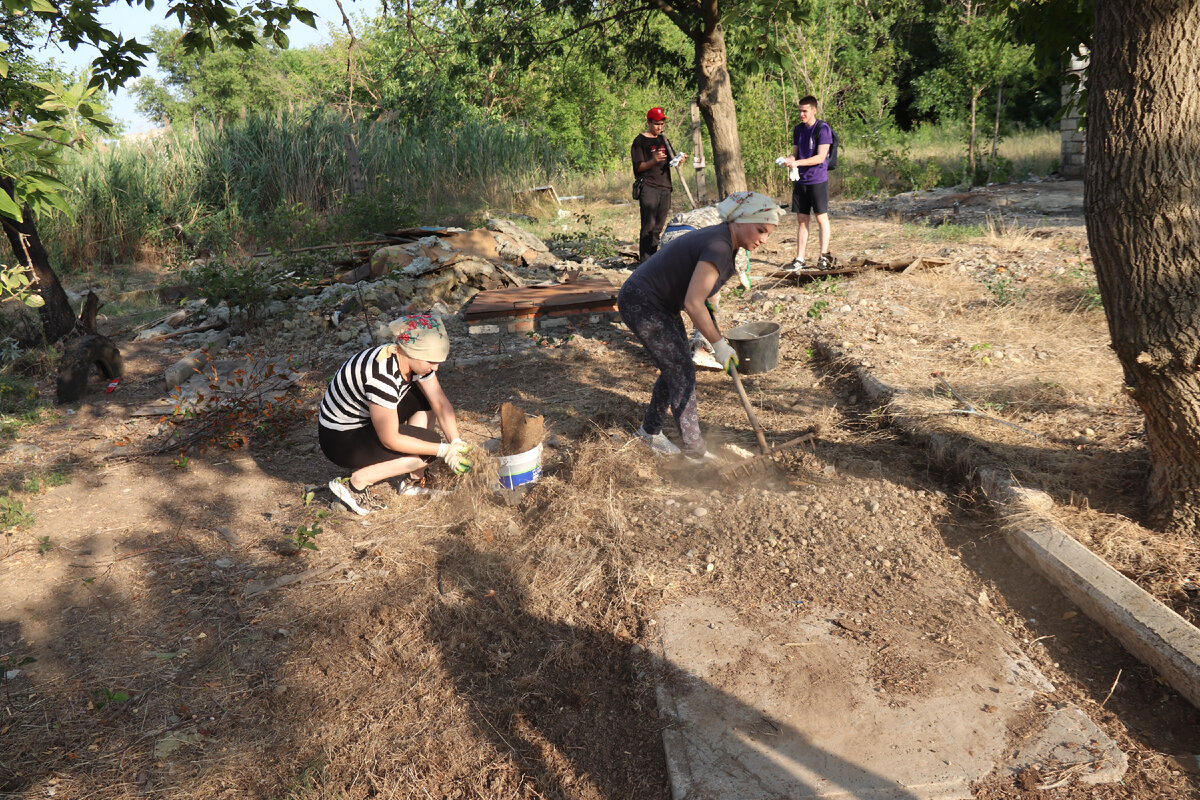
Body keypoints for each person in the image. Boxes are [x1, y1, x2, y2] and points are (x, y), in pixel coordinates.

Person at [618, 191, 779, 461]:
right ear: (740, 220)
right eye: (760, 230)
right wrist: (717, 344)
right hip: (643, 302)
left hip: (660, 304)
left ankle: (649, 432)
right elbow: (693, 303)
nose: (763, 239)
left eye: (768, 234)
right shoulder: (718, 245)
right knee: (680, 369)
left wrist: (714, 331)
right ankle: (694, 452)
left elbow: (703, 295)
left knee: (677, 366)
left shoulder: (727, 243)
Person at [318, 314, 472, 515]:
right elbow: (390, 439)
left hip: (365, 422)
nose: (436, 367)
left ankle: (415, 480)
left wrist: (456, 441)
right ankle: (356, 484)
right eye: (431, 361)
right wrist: (441, 450)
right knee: (429, 448)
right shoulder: (382, 375)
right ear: (411, 352)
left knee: (425, 397)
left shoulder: (412, 363)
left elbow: (440, 403)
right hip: (341, 439)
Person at [783, 95, 833, 272]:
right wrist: (789, 160)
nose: (801, 114)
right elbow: (795, 153)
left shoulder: (823, 129)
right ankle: (800, 259)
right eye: (799, 111)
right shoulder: (798, 129)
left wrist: (797, 163)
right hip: (800, 180)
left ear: (814, 110)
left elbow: (820, 157)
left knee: (821, 218)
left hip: (817, 180)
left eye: (804, 111)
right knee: (802, 220)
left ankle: (824, 257)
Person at [631, 107, 684, 262]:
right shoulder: (640, 141)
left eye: (662, 124)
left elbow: (672, 161)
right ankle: (645, 262)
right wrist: (653, 160)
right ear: (649, 122)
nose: (660, 127)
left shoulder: (664, 140)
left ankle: (653, 260)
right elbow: (638, 167)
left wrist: (679, 160)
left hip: (665, 187)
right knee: (648, 225)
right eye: (656, 124)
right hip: (648, 187)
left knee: (658, 227)